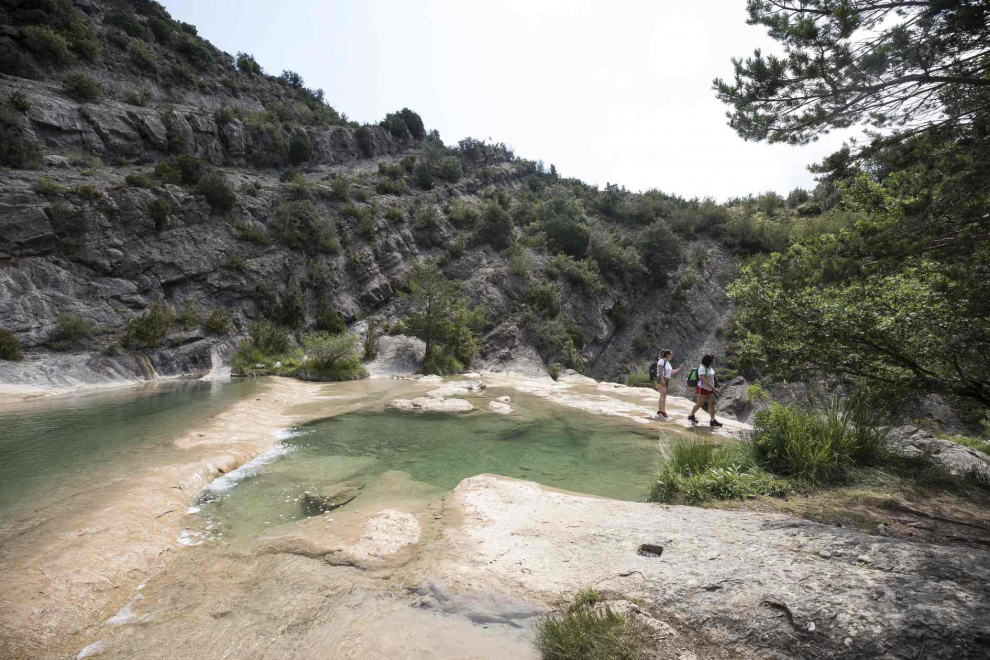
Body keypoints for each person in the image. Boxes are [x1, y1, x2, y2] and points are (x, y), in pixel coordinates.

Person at [688, 354, 723, 428]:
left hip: (710, 389)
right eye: (712, 360)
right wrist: (713, 388)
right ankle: (691, 416)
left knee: (712, 403)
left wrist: (717, 382)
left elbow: (713, 375)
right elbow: (704, 380)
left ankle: (713, 420)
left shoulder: (709, 366)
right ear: (708, 361)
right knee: (700, 403)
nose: (713, 361)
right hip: (703, 388)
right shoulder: (702, 368)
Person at [655, 350, 683, 419]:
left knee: (662, 395)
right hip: (659, 380)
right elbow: (660, 370)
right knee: (663, 396)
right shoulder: (661, 361)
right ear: (667, 354)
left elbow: (672, 372)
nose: (672, 356)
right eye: (671, 354)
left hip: (665, 380)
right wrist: (662, 380)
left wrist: (679, 368)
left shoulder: (668, 363)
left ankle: (659, 410)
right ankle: (663, 411)